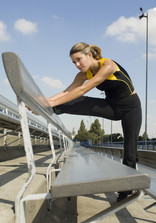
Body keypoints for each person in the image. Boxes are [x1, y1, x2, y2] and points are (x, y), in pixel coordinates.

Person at [47, 42, 142, 201]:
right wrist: (45, 101)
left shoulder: (108, 65)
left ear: (89, 55)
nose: (77, 65)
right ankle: (52, 110)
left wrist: (50, 102)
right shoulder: (83, 74)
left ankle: (126, 191)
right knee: (81, 101)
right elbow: (67, 91)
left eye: (79, 60)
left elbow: (83, 89)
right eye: (74, 62)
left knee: (130, 149)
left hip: (131, 107)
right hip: (112, 107)